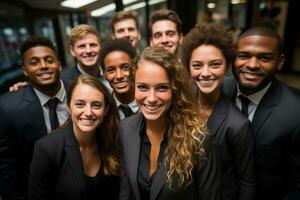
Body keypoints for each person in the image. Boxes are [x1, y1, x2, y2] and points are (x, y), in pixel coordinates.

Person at [119, 47, 221, 200]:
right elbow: (126, 190)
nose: (151, 98)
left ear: (175, 90)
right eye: (143, 87)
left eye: (162, 88)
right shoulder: (125, 129)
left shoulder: (198, 138)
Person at [223, 26, 300, 200]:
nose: (252, 65)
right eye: (244, 56)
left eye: (265, 58)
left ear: (280, 62)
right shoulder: (218, 90)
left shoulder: (296, 112)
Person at [181, 23, 255, 200]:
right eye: (197, 65)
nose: (205, 73)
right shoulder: (181, 106)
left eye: (215, 64)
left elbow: (247, 182)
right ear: (188, 66)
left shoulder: (237, 125)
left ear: (227, 65)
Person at [28, 75, 120, 200]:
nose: (88, 112)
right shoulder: (47, 149)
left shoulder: (112, 141)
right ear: (68, 107)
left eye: (96, 105)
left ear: (106, 109)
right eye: (80, 104)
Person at [0, 36, 68, 200]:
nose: (43, 66)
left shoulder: (81, 93)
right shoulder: (8, 107)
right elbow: (6, 165)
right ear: (25, 70)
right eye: (35, 62)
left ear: (59, 64)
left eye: (49, 60)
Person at [61, 24, 110, 89]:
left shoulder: (112, 72)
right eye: (82, 46)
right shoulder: (64, 81)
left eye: (92, 45)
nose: (88, 51)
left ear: (100, 47)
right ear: (72, 51)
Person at [99, 39, 138, 119]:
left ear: (135, 67)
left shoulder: (150, 102)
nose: (119, 76)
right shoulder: (103, 111)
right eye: (111, 70)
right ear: (104, 73)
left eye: (125, 67)